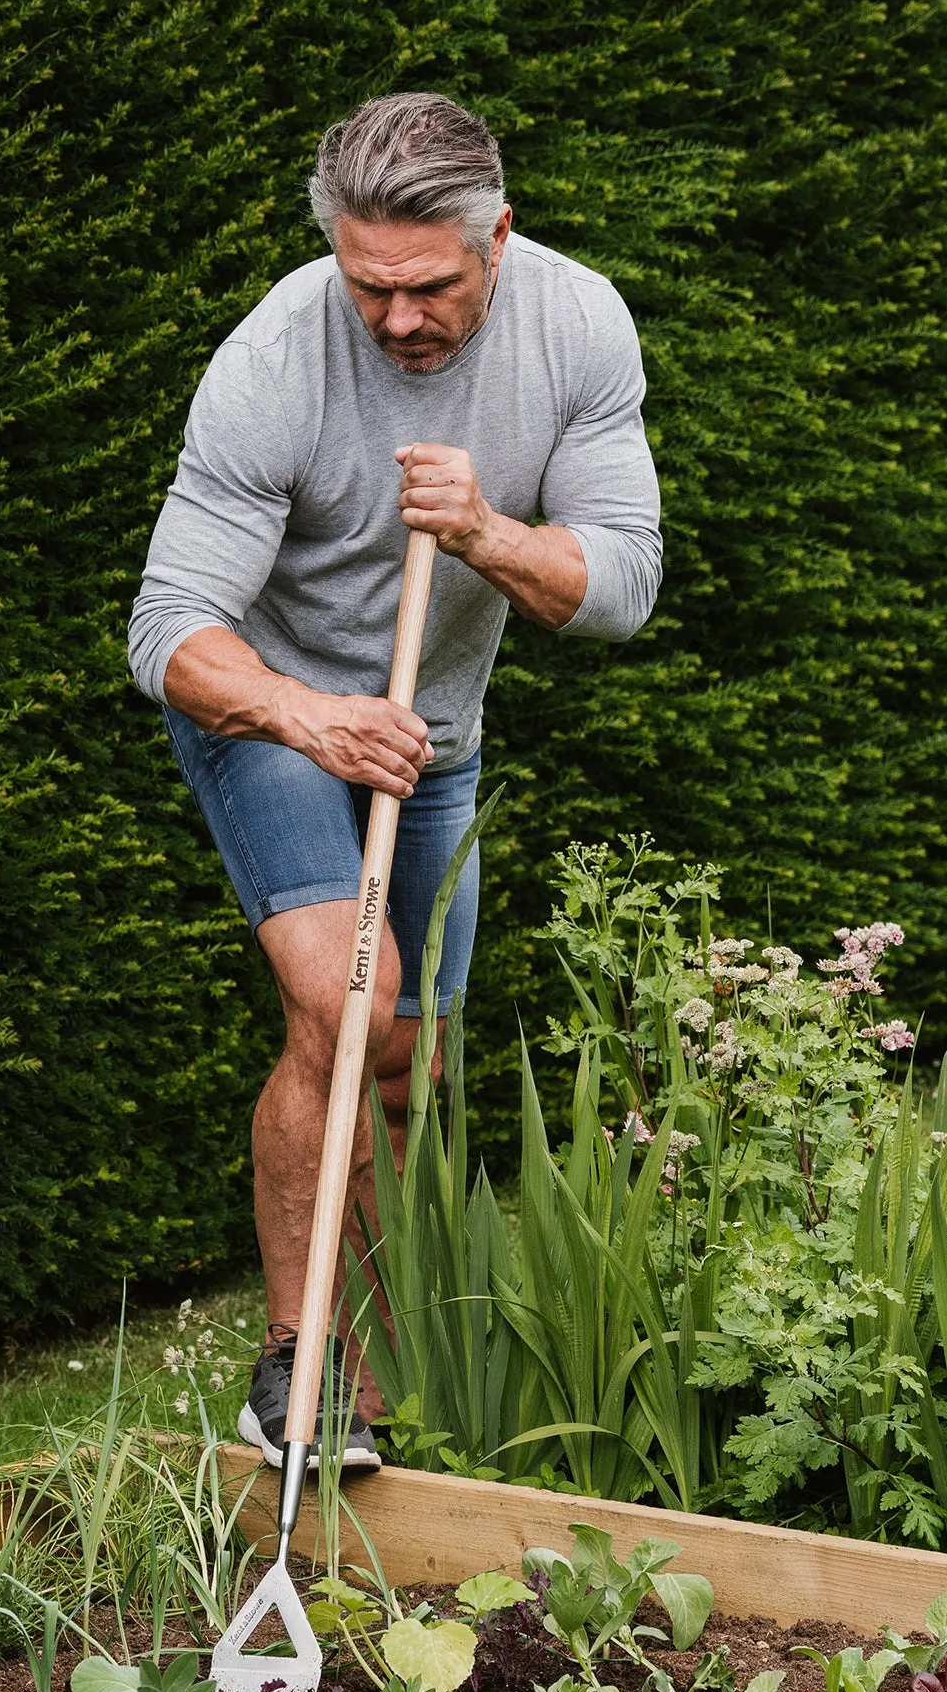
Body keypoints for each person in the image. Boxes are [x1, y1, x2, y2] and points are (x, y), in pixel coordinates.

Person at [128, 91, 663, 1470]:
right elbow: (170, 634)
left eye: (430, 287)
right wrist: (312, 718)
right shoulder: (276, 356)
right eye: (371, 287)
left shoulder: (578, 324)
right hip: (276, 712)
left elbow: (618, 589)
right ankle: (300, 1374)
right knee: (340, 1009)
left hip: (433, 732)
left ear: (500, 233)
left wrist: (486, 529)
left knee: (410, 1065)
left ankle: (382, 1358)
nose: (398, 322)